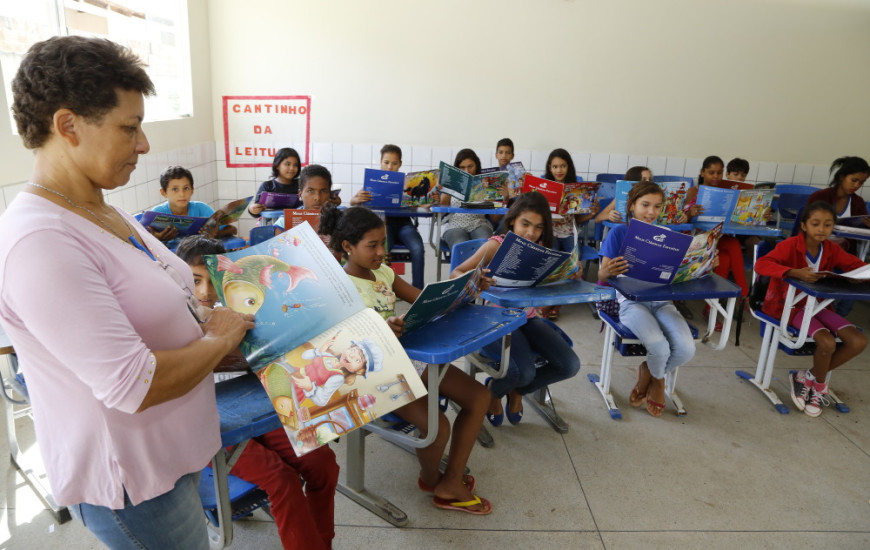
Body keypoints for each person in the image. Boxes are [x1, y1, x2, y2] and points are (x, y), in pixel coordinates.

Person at [0, 36, 255, 549]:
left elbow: (158, 306)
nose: (143, 145)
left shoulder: (100, 208)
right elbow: (131, 385)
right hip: (133, 483)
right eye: (129, 128)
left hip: (171, 456)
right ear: (67, 126)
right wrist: (218, 341)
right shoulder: (40, 241)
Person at [319, 205, 493, 515]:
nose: (381, 252)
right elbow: (341, 350)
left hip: (407, 357)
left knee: (480, 397)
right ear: (347, 247)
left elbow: (426, 299)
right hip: (375, 374)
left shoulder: (383, 272)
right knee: (437, 429)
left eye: (382, 242)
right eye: (372, 245)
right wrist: (379, 331)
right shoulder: (340, 289)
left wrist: (468, 289)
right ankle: (431, 480)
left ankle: (450, 480)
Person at [174, 235, 339, 549]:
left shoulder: (241, 309)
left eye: (214, 280)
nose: (205, 292)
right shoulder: (173, 321)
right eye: (195, 281)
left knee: (324, 465)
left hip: (259, 412)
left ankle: (322, 542)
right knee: (282, 480)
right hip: (211, 429)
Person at [450, 193, 581, 427]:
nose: (531, 233)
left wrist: (570, 273)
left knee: (570, 365)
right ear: (512, 221)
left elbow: (548, 288)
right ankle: (496, 389)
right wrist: (477, 279)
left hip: (527, 319)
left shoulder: (541, 250)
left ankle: (513, 391)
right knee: (524, 372)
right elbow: (456, 273)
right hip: (492, 320)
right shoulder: (495, 245)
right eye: (525, 224)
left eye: (539, 227)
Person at [598, 181, 703, 417]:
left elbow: (680, 274)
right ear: (632, 205)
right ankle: (659, 381)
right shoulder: (619, 232)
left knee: (686, 349)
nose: (651, 212)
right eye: (645, 205)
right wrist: (610, 270)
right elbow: (601, 274)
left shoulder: (668, 235)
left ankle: (650, 373)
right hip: (631, 302)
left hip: (663, 302)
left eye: (657, 207)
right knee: (659, 346)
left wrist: (700, 265)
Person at [753, 201, 867, 417]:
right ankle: (820, 387)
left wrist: (859, 277)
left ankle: (809, 377)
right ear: (804, 226)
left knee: (858, 341)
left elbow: (855, 266)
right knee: (827, 342)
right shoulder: (789, 245)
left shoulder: (832, 249)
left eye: (827, 224)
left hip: (818, 305)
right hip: (789, 306)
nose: (822, 229)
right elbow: (762, 265)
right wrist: (793, 272)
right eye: (816, 224)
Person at [350, 145, 427, 288]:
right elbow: (352, 202)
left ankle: (418, 290)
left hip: (404, 225)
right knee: (383, 251)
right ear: (380, 162)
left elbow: (420, 205)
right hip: (383, 226)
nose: (390, 167)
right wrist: (357, 199)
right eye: (386, 162)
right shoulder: (372, 184)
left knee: (418, 248)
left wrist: (427, 202)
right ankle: (384, 288)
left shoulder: (408, 184)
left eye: (394, 163)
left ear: (400, 164)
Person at [542, 148, 598, 319]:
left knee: (573, 260)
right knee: (553, 260)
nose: (559, 170)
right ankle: (549, 302)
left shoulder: (576, 189)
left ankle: (556, 303)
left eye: (563, 166)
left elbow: (579, 220)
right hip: (550, 232)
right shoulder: (546, 187)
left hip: (569, 232)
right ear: (550, 169)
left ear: (569, 167)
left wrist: (592, 213)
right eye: (555, 167)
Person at [149, 165, 238, 243]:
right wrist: (157, 237)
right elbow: (143, 239)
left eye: (186, 188)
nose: (182, 194)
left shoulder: (202, 209)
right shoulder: (156, 214)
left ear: (192, 190)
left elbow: (232, 229)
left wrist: (216, 233)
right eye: (175, 189)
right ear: (163, 192)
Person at [439, 149, 495, 251]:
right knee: (460, 246)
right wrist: (448, 188)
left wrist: (495, 196)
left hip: (479, 223)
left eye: (470, 166)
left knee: (486, 245)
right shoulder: (452, 182)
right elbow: (442, 211)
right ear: (457, 169)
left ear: (476, 166)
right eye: (462, 167)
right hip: (455, 225)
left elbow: (495, 218)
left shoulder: (484, 183)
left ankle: (482, 268)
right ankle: (463, 268)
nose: (467, 171)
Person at [273, 164, 335, 232]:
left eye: (323, 191)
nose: (317, 197)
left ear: (329, 194)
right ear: (300, 195)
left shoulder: (337, 221)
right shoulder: (285, 222)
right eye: (310, 191)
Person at [248, 147, 302, 218]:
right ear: (277, 165)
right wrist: (252, 209)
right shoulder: (267, 186)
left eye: (295, 165)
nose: (292, 168)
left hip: (296, 225)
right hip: (272, 225)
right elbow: (257, 211)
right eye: (287, 164)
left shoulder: (301, 185)